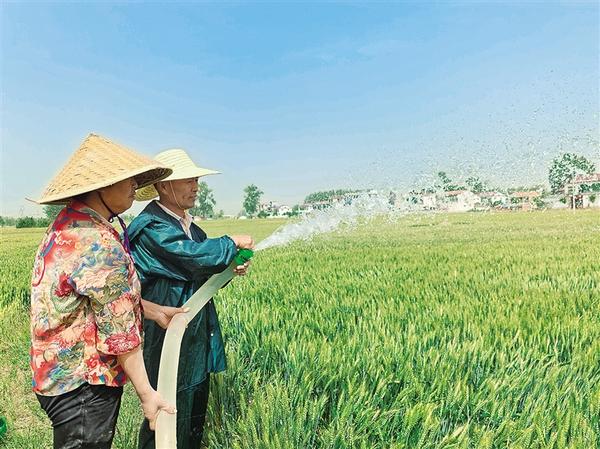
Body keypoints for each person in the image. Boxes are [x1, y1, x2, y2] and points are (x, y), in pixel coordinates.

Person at [30, 133, 183, 449]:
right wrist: (147, 394)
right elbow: (119, 330)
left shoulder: (71, 223)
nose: (134, 185)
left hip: (58, 374)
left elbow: (99, 298)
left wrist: (154, 311)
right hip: (84, 383)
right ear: (101, 185)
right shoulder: (97, 242)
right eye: (127, 178)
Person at [128, 149, 253, 449]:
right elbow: (193, 258)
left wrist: (230, 267)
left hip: (196, 337)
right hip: (166, 337)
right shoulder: (152, 228)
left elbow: (204, 273)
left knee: (193, 415)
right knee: (165, 416)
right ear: (163, 185)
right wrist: (230, 243)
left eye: (196, 179)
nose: (196, 186)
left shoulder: (193, 229)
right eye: (188, 180)